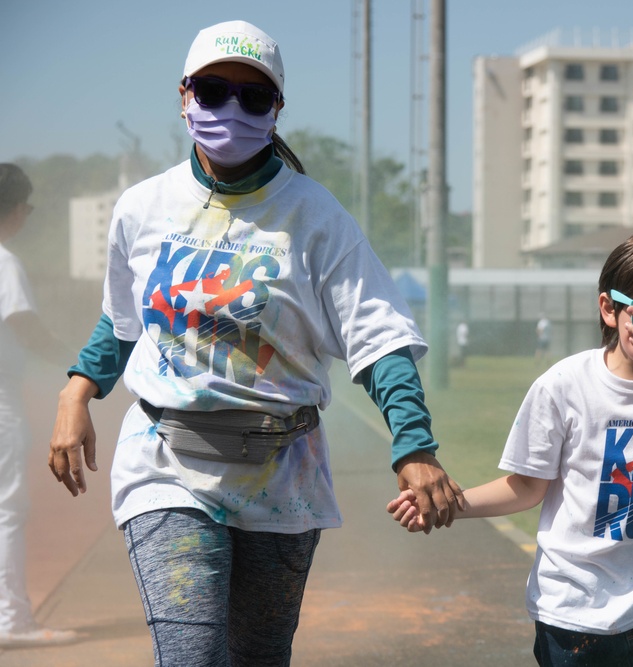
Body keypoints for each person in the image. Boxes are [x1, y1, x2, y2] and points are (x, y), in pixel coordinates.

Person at [46, 21, 463, 666]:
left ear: (278, 109)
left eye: (253, 97)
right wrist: (78, 392)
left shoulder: (314, 216)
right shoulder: (142, 208)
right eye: (214, 91)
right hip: (167, 464)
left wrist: (415, 446)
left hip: (282, 475)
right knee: (191, 657)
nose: (231, 111)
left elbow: (378, 338)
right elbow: (123, 320)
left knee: (258, 659)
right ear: (184, 94)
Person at [390, 228, 633, 667]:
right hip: (571, 612)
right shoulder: (564, 385)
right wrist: (448, 505)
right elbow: (528, 487)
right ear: (609, 309)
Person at [0, 164, 78, 648]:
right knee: (8, 508)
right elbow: (25, 325)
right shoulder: (5, 262)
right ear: (17, 209)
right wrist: (80, 366)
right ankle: (12, 620)